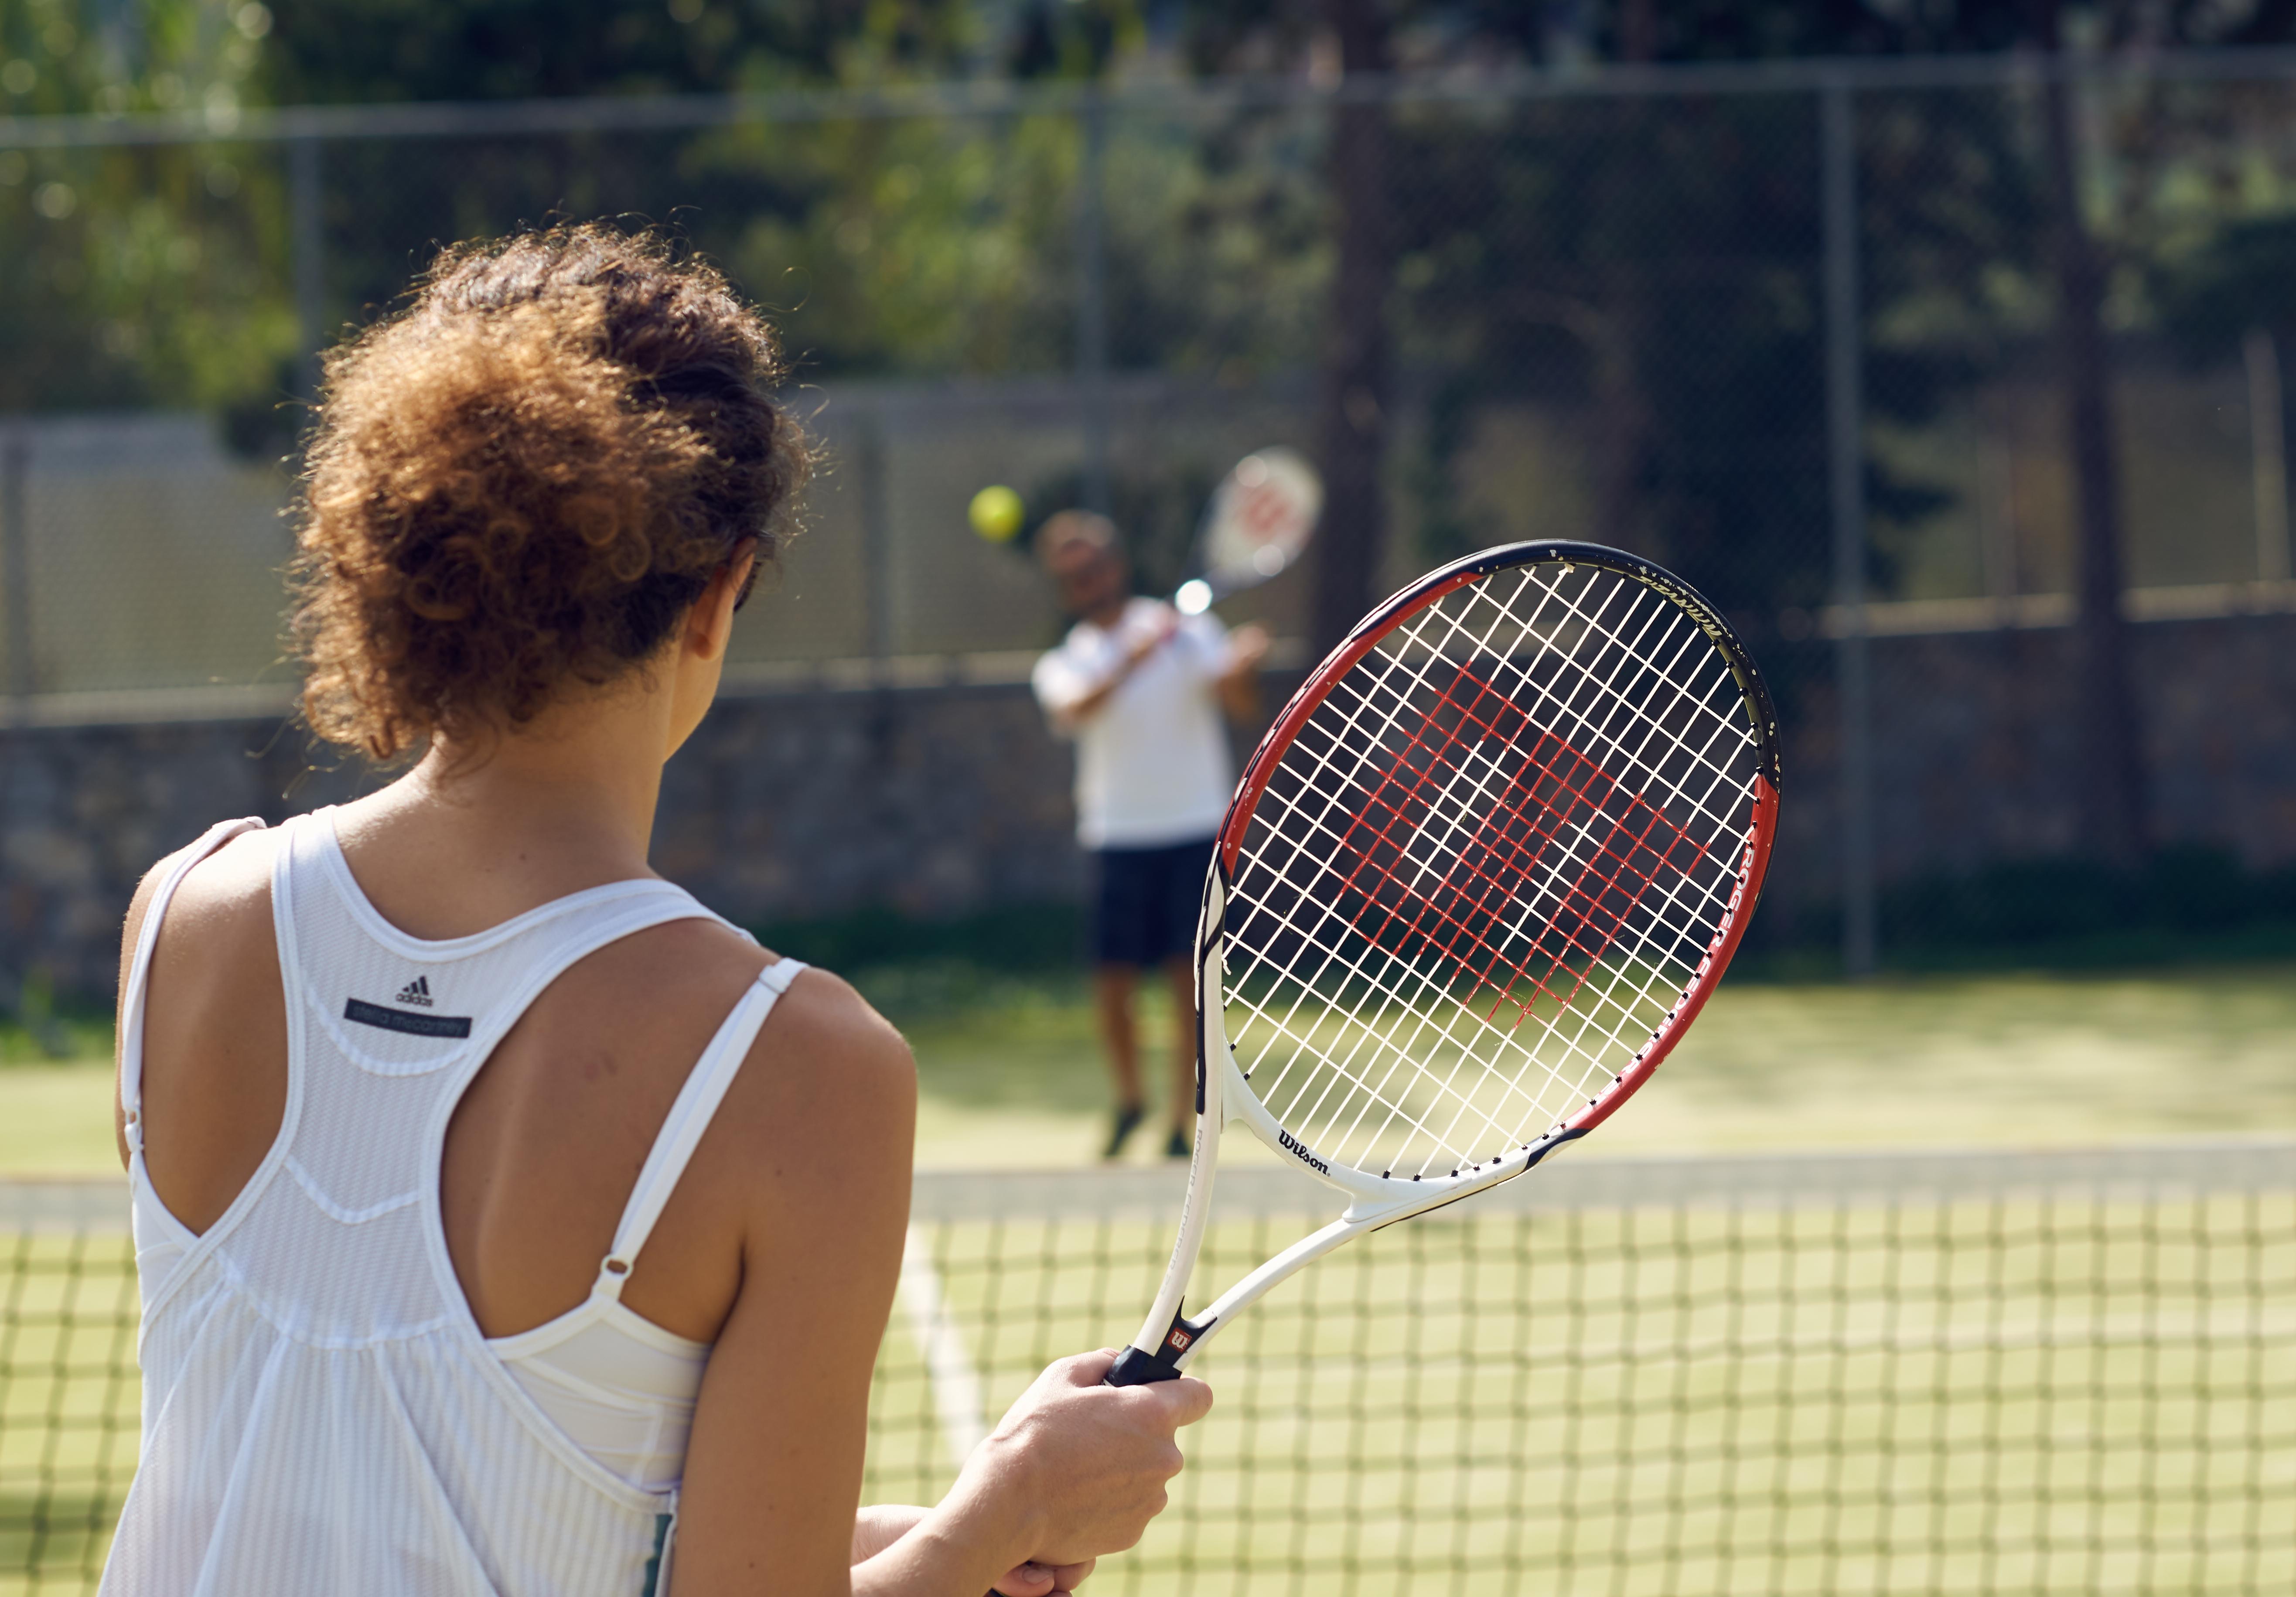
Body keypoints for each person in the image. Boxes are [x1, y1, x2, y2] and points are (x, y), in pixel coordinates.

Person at [102, 225, 1209, 1597]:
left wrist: (958, 1518)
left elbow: (412, 1495)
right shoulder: (801, 1065)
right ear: (721, 590)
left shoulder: (183, 916)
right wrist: (1005, 1510)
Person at [1029, 513, 1268, 1161]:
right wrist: (1129, 660)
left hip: (1195, 831)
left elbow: (1236, 702)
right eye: (1071, 575)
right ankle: (1128, 1100)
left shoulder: (1189, 631)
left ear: (1115, 566)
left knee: (1186, 979)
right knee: (1112, 981)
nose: (1086, 582)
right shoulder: (1066, 658)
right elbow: (1073, 711)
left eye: (1093, 568)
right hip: (1117, 836)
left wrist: (1242, 664)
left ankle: (1180, 1117)